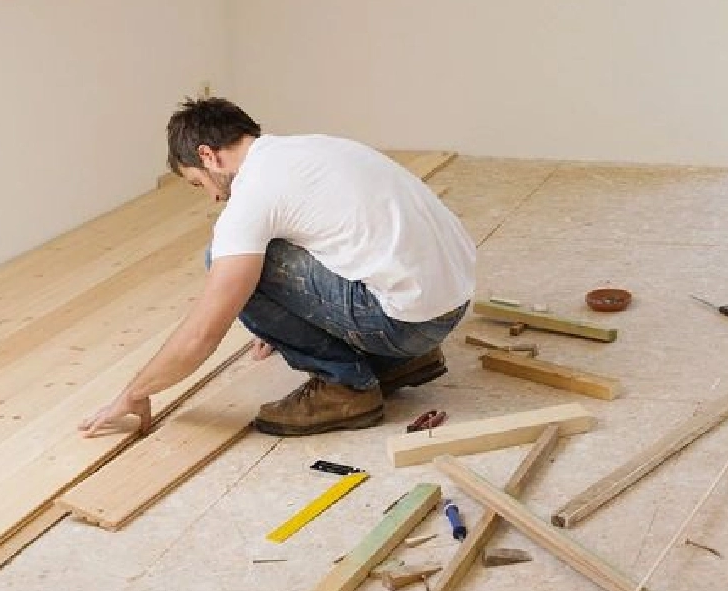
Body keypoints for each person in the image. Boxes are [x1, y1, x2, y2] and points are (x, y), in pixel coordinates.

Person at [79, 98, 472, 438]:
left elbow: (203, 332)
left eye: (199, 184)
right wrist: (290, 316)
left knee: (225, 259)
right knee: (257, 255)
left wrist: (134, 393)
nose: (214, 197)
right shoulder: (312, 149)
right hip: (448, 307)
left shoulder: (252, 194)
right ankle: (403, 361)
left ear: (207, 155)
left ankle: (346, 387)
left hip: (405, 325)